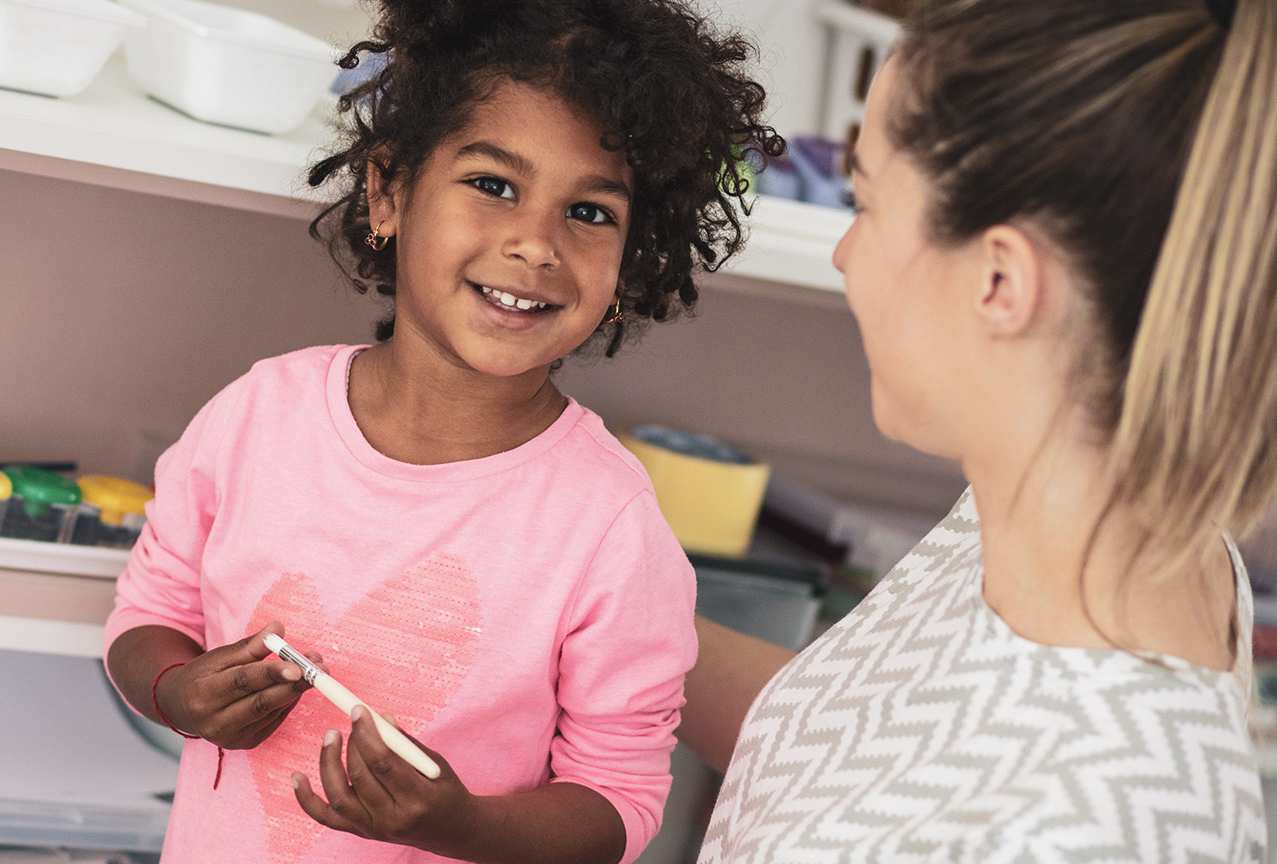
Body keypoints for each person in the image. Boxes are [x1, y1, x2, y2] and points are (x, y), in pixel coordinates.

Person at [102, 1, 779, 862]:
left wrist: (460, 827)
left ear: (630, 259)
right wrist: (175, 690)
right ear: (389, 191)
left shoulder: (610, 527)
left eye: (591, 213)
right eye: (493, 186)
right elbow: (147, 615)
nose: (536, 244)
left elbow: (619, 802)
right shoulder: (256, 416)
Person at [684, 0, 1277, 860]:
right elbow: (860, 763)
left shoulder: (1078, 832)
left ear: (999, 279)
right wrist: (594, 608)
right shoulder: (1091, 529)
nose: (846, 256)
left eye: (867, 203)